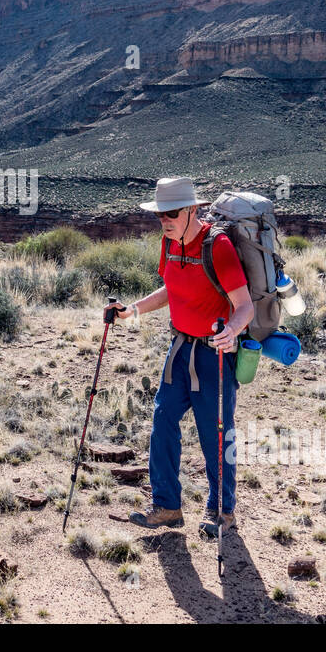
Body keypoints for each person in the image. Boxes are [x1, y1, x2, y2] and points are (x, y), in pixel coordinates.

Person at [107, 177, 253, 532]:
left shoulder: (217, 246)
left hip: (212, 354)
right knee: (163, 421)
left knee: (215, 433)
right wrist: (134, 310)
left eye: (171, 213)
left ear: (192, 210)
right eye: (160, 214)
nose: (165, 220)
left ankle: (222, 511)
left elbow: (244, 305)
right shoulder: (169, 243)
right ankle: (167, 506)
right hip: (180, 347)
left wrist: (231, 331)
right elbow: (172, 289)